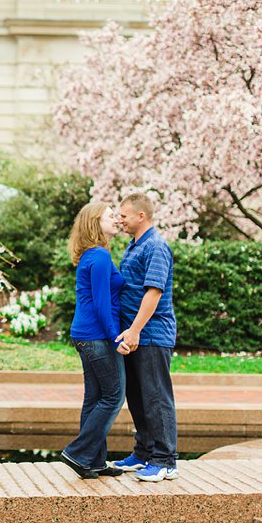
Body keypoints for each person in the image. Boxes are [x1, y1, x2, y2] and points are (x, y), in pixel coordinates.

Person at [110, 193, 179, 482]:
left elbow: (154, 292)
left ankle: (165, 461)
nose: (119, 219)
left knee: (155, 397)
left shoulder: (156, 247)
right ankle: (143, 453)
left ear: (142, 216)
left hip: (151, 335)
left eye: (124, 215)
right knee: (137, 396)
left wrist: (135, 330)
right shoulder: (134, 246)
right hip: (135, 336)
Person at [60, 202, 128, 479]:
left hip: (87, 335)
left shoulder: (92, 255)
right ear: (94, 222)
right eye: (110, 216)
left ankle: (93, 462)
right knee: (113, 396)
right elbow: (101, 304)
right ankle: (78, 453)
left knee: (95, 398)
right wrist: (115, 337)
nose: (116, 219)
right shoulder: (99, 256)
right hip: (98, 336)